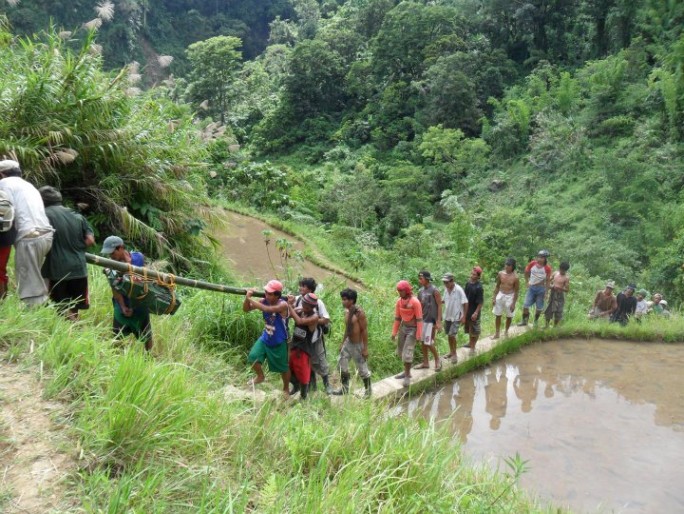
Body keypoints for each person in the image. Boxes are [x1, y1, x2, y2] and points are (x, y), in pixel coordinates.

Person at [0, 160, 54, 305]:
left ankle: (36, 320)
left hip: (29, 238)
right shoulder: (29, 186)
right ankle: (44, 310)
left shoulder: (4, 185)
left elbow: (4, 213)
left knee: (29, 285)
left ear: (2, 174)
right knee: (36, 279)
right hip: (46, 235)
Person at [39, 186, 95, 320]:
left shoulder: (43, 215)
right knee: (74, 306)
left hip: (57, 269)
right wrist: (77, 248)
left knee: (60, 307)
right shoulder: (77, 215)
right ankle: (72, 333)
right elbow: (90, 240)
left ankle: (70, 330)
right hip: (79, 268)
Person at [102, 236, 153, 351]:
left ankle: (149, 357)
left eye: (112, 253)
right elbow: (115, 289)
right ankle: (117, 357)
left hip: (139, 302)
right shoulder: (110, 266)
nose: (110, 256)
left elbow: (146, 278)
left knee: (146, 333)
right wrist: (123, 306)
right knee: (117, 333)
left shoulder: (138, 258)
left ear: (120, 248)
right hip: (122, 302)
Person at [244, 279, 290, 394]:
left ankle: (286, 388)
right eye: (266, 292)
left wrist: (250, 298)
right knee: (253, 356)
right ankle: (260, 376)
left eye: (270, 293)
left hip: (279, 341)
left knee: (283, 368)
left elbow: (267, 309)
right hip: (266, 337)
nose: (266, 295)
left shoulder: (283, 304)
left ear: (277, 295)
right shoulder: (263, 301)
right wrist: (246, 298)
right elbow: (246, 309)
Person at [293, 277, 333, 394]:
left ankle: (327, 386)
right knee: (306, 361)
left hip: (314, 338)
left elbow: (326, 319)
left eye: (303, 286)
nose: (300, 288)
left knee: (320, 361)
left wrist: (312, 320)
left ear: (310, 290)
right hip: (301, 338)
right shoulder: (298, 299)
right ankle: (312, 385)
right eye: (300, 285)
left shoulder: (318, 303)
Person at [333, 288, 371, 397]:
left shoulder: (359, 313)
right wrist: (342, 342)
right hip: (348, 343)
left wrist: (365, 348)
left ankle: (368, 391)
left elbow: (364, 330)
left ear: (352, 300)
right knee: (341, 364)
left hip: (358, 345)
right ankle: (345, 389)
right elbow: (347, 328)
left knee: (362, 368)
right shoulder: (347, 311)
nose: (343, 301)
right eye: (342, 299)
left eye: (345, 299)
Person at [286, 292, 319, 400]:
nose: (304, 307)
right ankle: (296, 386)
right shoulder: (301, 310)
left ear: (313, 307)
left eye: (307, 306)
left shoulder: (314, 317)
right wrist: (289, 304)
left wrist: (290, 306)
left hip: (304, 349)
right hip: (294, 345)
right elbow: (289, 314)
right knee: (287, 368)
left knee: (303, 373)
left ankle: (303, 395)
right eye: (303, 304)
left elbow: (299, 321)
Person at [391, 280, 423, 388]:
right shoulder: (399, 302)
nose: (399, 293)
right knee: (401, 351)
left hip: (412, 329)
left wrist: (419, 334)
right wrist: (394, 332)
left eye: (401, 291)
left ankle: (407, 376)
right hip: (403, 328)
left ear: (407, 290)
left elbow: (419, 319)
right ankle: (406, 372)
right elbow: (397, 318)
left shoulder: (415, 302)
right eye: (398, 291)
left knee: (408, 352)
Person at [415, 270, 442, 371]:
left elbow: (439, 305)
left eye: (421, 278)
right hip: (423, 320)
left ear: (427, 279)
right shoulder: (420, 291)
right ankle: (425, 362)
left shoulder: (435, 290)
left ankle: (437, 360)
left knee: (428, 342)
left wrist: (438, 321)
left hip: (431, 321)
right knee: (423, 341)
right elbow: (419, 306)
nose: (419, 280)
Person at [518, 250, 552, 326]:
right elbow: (526, 271)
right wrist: (527, 281)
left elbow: (548, 280)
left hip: (541, 289)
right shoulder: (532, 264)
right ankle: (524, 321)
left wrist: (546, 292)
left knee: (539, 307)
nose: (540, 259)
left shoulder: (547, 268)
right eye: (539, 257)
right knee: (525, 305)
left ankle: (535, 322)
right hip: (531, 288)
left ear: (545, 259)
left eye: (542, 257)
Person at [441, 272, 467, 362]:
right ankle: (451, 352)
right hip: (447, 315)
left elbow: (465, 302)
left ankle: (454, 354)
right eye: (444, 282)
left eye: (447, 282)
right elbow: (443, 300)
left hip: (456, 316)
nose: (445, 284)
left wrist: (464, 316)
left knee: (452, 335)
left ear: (452, 281)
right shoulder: (446, 289)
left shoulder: (459, 290)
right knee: (449, 334)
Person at [492, 258, 519, 338]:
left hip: (510, 296)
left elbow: (516, 291)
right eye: (506, 264)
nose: (506, 266)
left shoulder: (515, 277)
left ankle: (506, 332)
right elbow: (497, 286)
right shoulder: (501, 274)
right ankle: (497, 333)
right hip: (500, 294)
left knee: (509, 315)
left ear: (512, 266)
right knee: (498, 314)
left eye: (508, 265)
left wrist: (513, 303)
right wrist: (494, 298)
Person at [0, 187, 17, 300]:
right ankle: (2, 300)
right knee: (1, 269)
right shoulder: (4, 193)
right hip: (6, 237)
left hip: (5, 236)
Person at [544, 262, 570, 328]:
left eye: (563, 270)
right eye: (561, 269)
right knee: (549, 310)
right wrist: (550, 286)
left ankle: (555, 327)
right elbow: (548, 281)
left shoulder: (566, 278)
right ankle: (546, 326)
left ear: (566, 270)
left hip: (560, 295)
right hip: (552, 294)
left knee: (558, 311)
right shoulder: (555, 273)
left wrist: (559, 288)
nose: (561, 271)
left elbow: (567, 290)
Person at [464, 266, 484, 351]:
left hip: (474, 311)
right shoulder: (468, 283)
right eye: (471, 273)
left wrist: (476, 313)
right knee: (469, 329)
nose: (472, 275)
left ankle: (473, 347)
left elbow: (480, 302)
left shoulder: (479, 287)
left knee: (475, 330)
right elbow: (464, 296)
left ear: (478, 276)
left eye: (474, 274)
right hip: (467, 310)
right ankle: (470, 343)